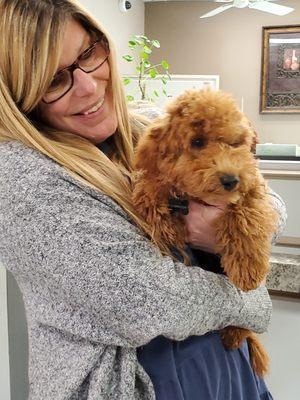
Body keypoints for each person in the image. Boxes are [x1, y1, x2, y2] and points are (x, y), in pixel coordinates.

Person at [0, 1, 287, 399]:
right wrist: (250, 302)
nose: (87, 86)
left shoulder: (145, 122)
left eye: (88, 53)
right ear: (22, 95)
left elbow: (269, 203)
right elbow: (144, 302)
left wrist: (220, 234)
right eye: (54, 80)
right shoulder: (19, 178)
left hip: (226, 368)